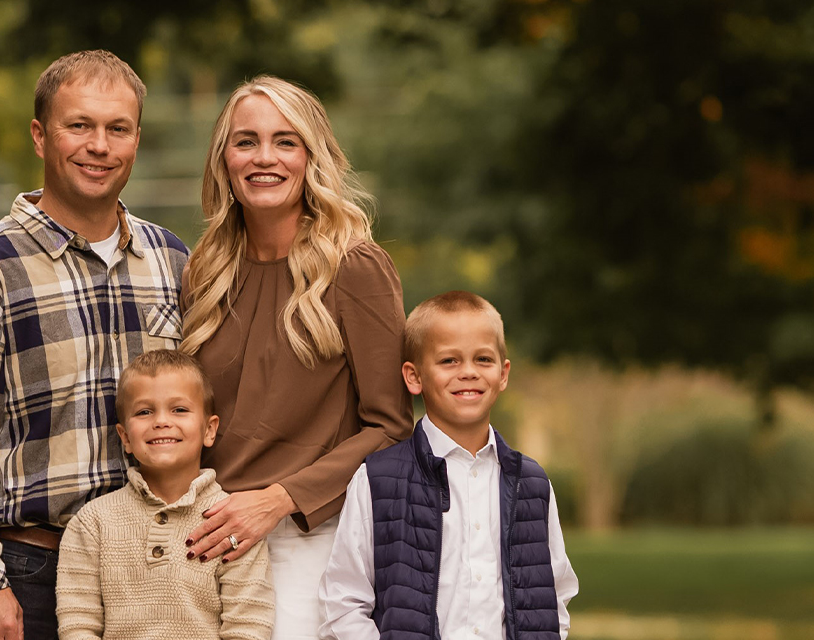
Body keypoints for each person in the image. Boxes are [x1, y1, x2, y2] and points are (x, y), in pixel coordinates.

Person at [0, 50, 190, 640]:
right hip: (32, 572)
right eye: (80, 125)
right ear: (41, 136)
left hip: (157, 567)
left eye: (117, 128)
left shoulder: (173, 261)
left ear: (136, 140)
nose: (100, 145)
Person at [179, 76, 414, 640]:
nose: (265, 158)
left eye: (286, 141)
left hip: (308, 542)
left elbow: (391, 427)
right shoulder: (203, 273)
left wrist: (279, 500)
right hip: (205, 538)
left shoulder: (355, 267)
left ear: (312, 157)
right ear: (223, 159)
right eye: (246, 141)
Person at [316, 291, 579, 640]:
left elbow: (555, 595)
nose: (468, 372)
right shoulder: (378, 480)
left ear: (503, 373)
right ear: (414, 377)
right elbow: (343, 602)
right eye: (449, 361)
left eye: (483, 359)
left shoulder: (531, 483)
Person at [56, 350, 274, 640]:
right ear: (125, 437)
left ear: (209, 429)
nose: (161, 421)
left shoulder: (233, 521)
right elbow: (77, 628)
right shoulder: (91, 524)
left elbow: (248, 629)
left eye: (179, 410)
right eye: (144, 411)